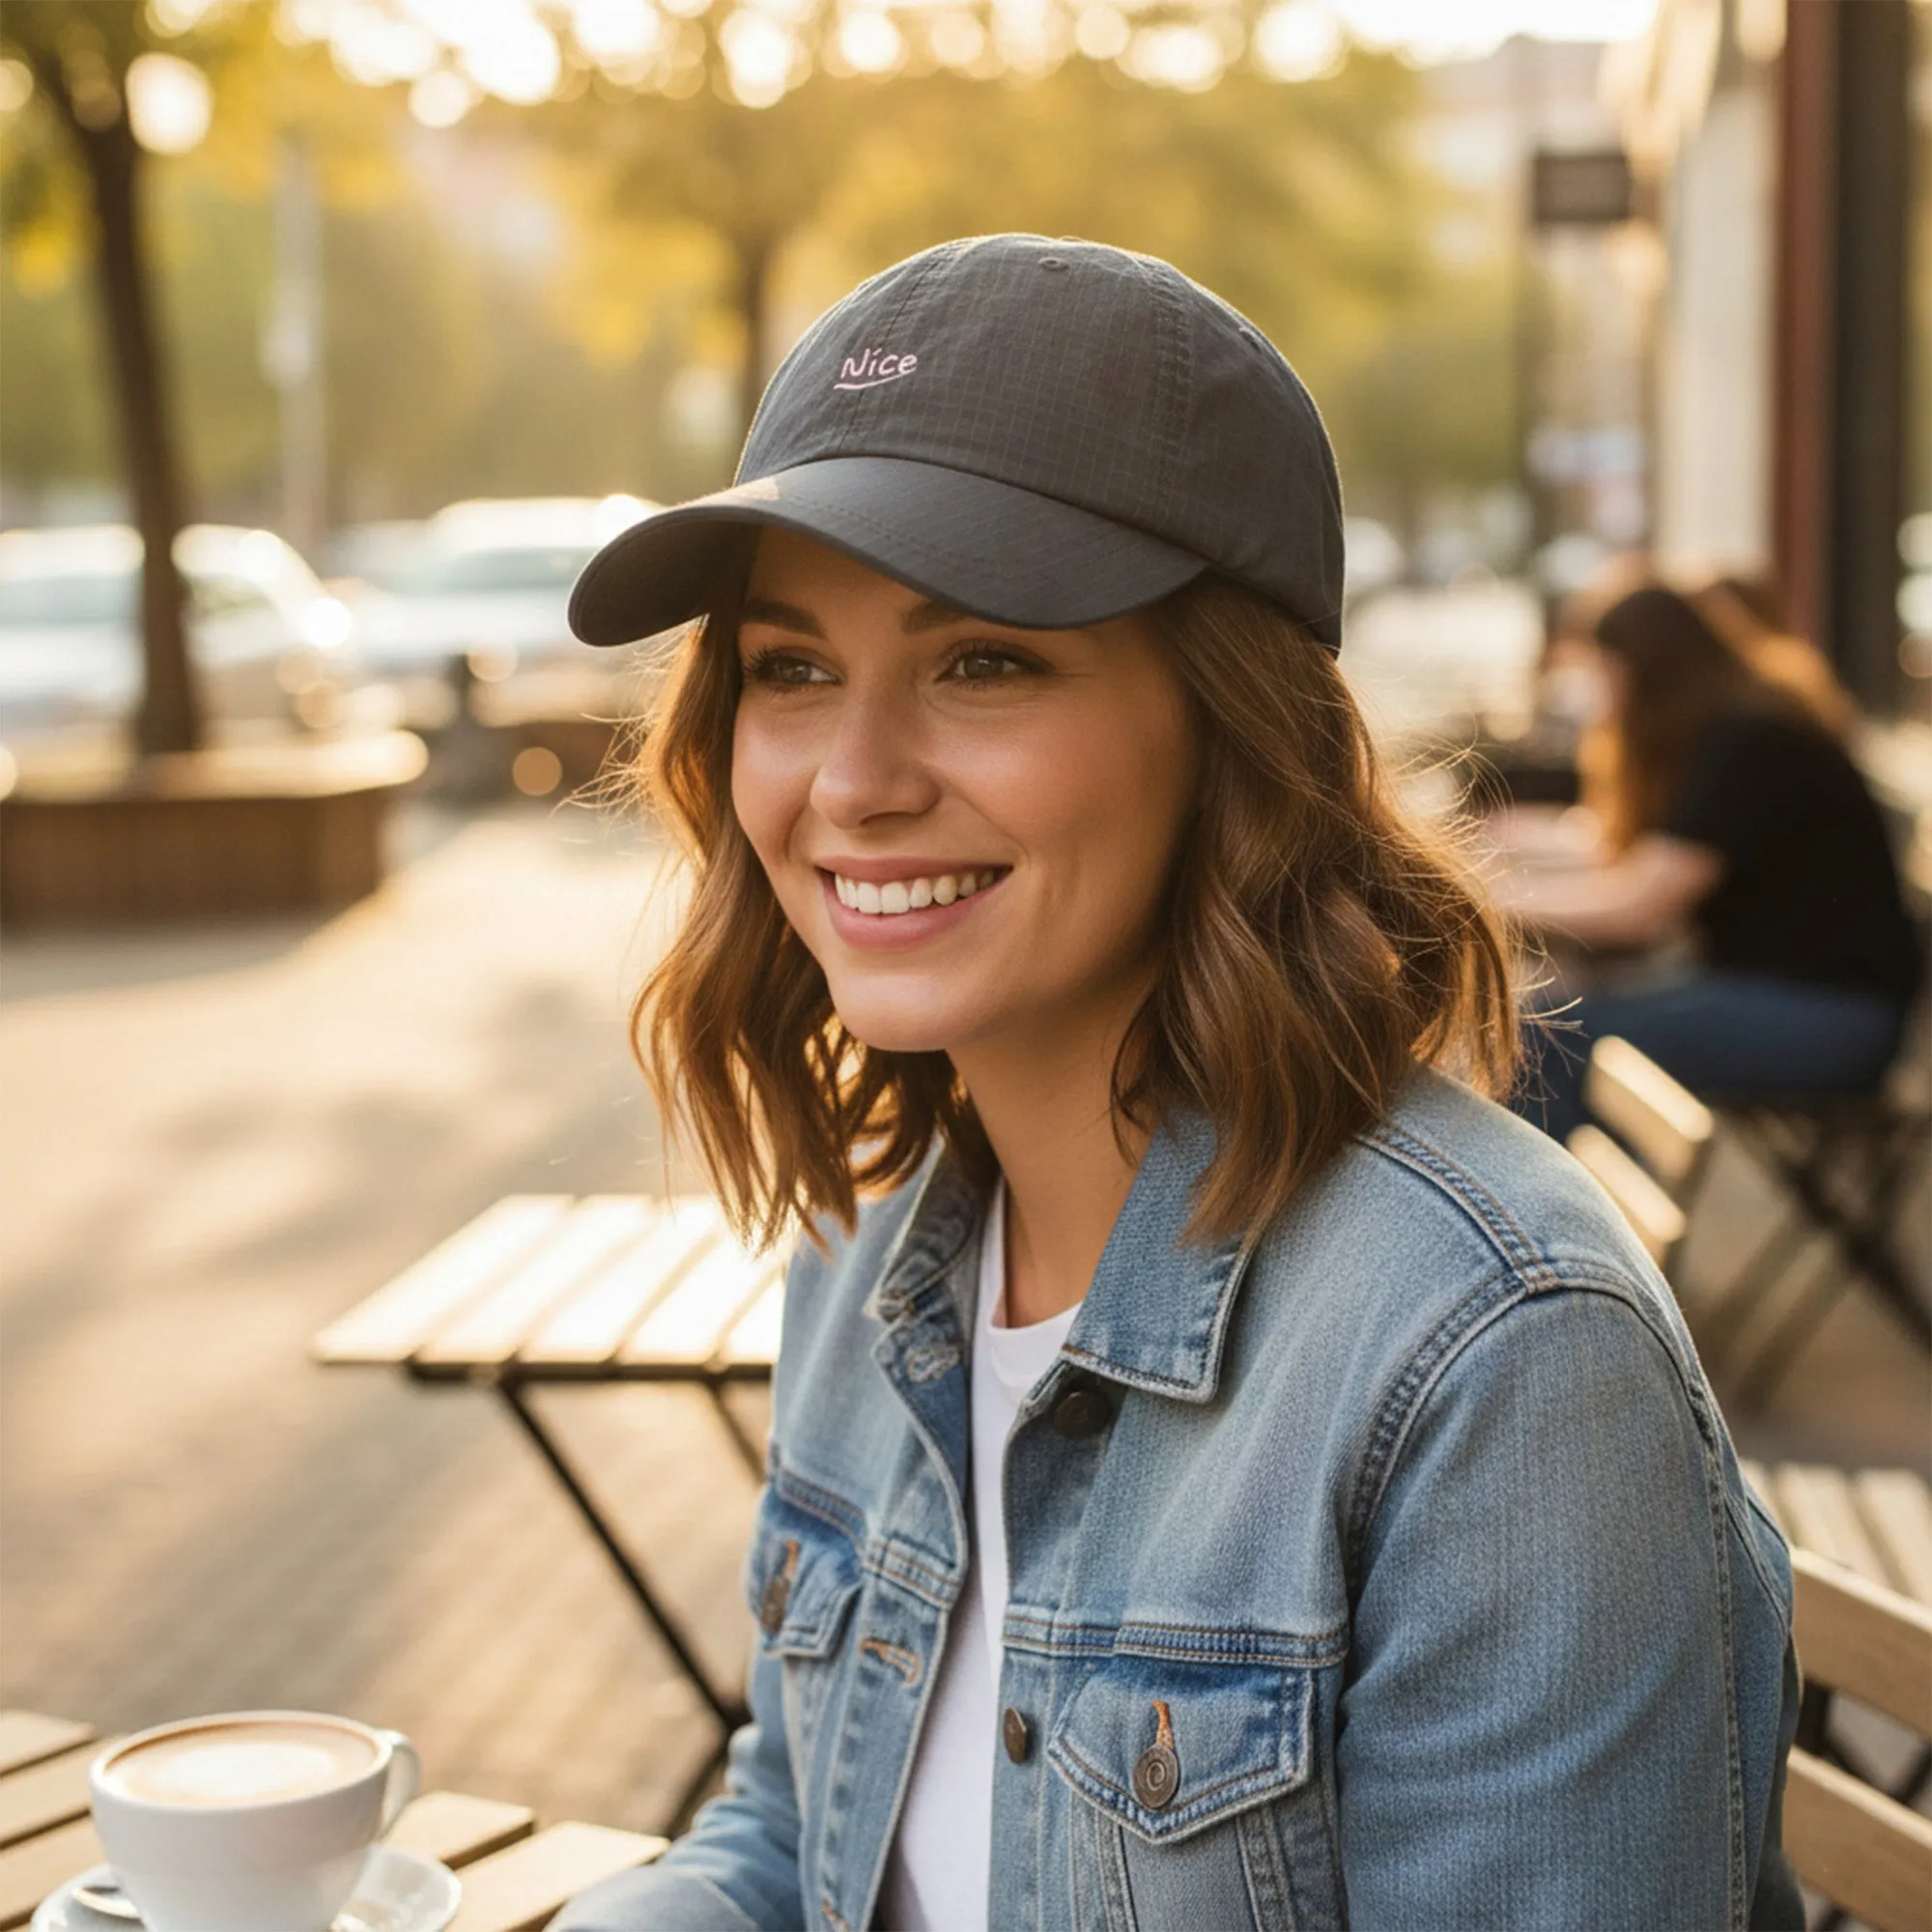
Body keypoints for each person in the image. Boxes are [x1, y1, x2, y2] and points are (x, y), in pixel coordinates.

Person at [552, 237, 1801, 1932]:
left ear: (1231, 730)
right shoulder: (874, 1247)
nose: (851, 780)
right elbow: (790, 1829)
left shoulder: (1500, 1360)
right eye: (792, 669)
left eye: (983, 661)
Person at [1494, 582, 1921, 1144]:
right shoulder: (1740, 722)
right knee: (1560, 1019)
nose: (1598, 694)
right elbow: (1637, 859)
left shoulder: (1747, 741)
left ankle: (1546, 1224)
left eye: (1604, 670)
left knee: (1551, 1032)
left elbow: (1640, 906)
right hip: (1813, 1002)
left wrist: (1488, 898)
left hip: (1834, 1020)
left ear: (1644, 669)